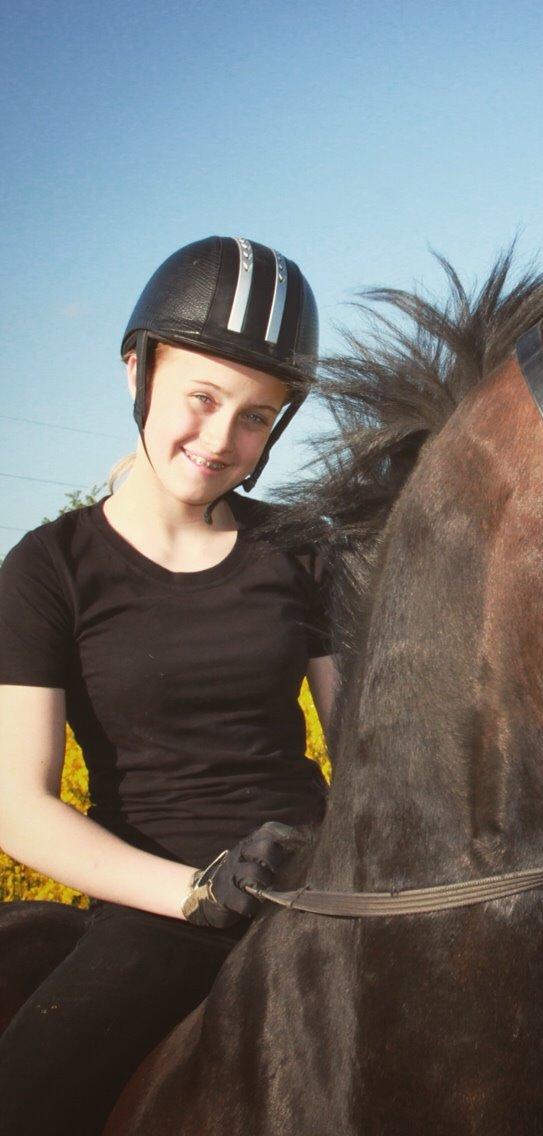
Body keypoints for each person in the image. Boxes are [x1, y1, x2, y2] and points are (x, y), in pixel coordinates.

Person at [0, 236, 337, 1134]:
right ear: (136, 372)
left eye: (258, 417)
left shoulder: (302, 549)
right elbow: (17, 807)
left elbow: (365, 743)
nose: (222, 440)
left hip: (321, 882)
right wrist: (196, 891)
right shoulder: (47, 570)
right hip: (156, 912)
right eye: (202, 399)